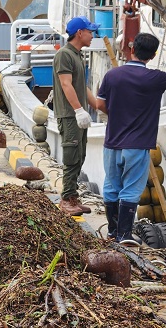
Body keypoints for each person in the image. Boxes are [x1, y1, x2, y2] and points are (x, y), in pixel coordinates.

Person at [96, 33, 166, 242]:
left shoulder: (112, 75)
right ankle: (124, 234)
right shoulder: (158, 79)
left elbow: (100, 105)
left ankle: (112, 232)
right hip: (137, 145)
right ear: (153, 56)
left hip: (112, 142)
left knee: (111, 185)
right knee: (132, 188)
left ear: (132, 49)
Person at [52, 15, 100, 216]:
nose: (92, 35)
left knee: (80, 156)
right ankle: (66, 200)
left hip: (78, 115)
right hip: (70, 115)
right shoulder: (65, 55)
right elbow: (66, 84)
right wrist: (79, 110)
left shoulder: (78, 55)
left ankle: (73, 197)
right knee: (71, 157)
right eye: (90, 32)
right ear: (79, 33)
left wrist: (97, 105)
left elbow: (83, 86)